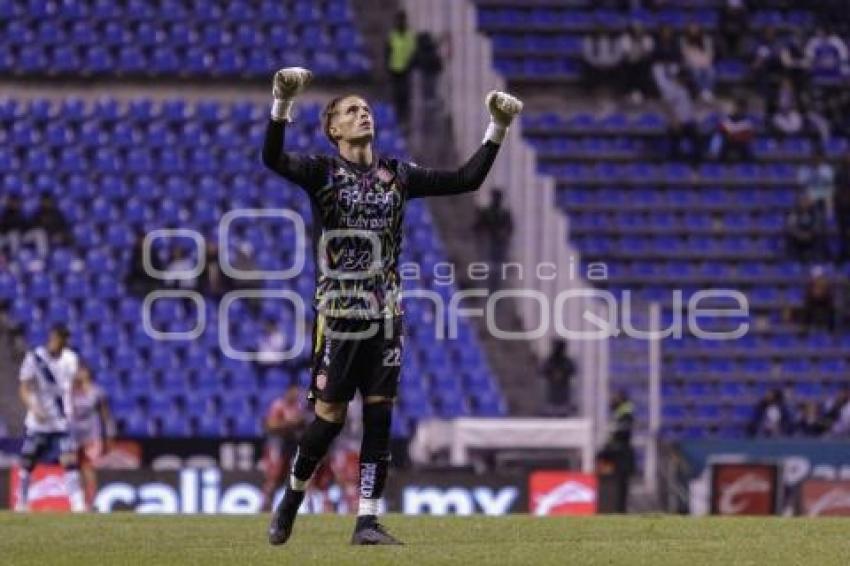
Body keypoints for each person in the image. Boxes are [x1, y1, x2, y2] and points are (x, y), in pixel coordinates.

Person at [261, 67, 521, 545]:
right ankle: (291, 500)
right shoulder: (321, 173)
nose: (363, 114)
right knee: (327, 423)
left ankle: (367, 521)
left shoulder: (397, 174)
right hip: (338, 318)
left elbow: (465, 179)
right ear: (333, 129)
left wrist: (497, 129)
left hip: (385, 317)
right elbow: (273, 157)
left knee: (380, 419)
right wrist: (282, 104)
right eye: (350, 111)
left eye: (366, 109)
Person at [15, 325, 87, 512]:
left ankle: (78, 504)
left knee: (69, 460)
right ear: (51, 338)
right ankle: (22, 502)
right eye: (57, 340)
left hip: (62, 421)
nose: (59, 345)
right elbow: (23, 387)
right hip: (38, 422)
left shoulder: (71, 359)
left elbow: (72, 384)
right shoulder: (35, 358)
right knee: (27, 462)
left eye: (63, 342)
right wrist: (33, 406)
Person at [71, 362, 116, 505]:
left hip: (91, 435)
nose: (79, 373)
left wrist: (109, 433)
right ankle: (80, 501)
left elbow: (105, 414)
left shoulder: (97, 392)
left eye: (81, 370)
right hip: (74, 435)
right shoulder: (71, 391)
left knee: (88, 467)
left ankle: (93, 500)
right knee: (74, 467)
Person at [261, 384, 307, 511]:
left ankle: (280, 506)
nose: (296, 395)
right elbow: (270, 424)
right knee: (273, 477)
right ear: (288, 391)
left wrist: (300, 423)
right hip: (277, 445)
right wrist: (290, 424)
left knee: (287, 478)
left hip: (291, 445)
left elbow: (303, 424)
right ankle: (265, 505)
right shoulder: (279, 405)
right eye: (294, 392)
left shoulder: (299, 407)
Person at [598, 390, 635, 513]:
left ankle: (621, 509)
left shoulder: (625, 415)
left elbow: (622, 433)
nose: (612, 401)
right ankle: (618, 509)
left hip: (621, 455)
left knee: (621, 484)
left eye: (615, 399)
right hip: (620, 454)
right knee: (619, 484)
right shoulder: (620, 415)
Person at [473, 189, 513, 293]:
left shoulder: (505, 214)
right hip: (488, 246)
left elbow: (510, 229)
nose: (496, 200)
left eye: (498, 198)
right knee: (488, 270)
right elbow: (477, 228)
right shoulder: (486, 213)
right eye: (495, 198)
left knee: (497, 271)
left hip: (499, 246)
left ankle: (495, 290)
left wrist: (503, 234)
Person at [385, 10, 417, 129]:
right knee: (396, 97)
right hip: (394, 71)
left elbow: (413, 52)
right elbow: (387, 53)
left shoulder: (410, 36)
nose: (400, 22)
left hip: (406, 71)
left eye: (401, 20)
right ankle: (396, 120)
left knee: (405, 97)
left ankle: (405, 121)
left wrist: (410, 64)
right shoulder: (392, 36)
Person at [617, 22, 655, 104]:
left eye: (639, 30)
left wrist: (639, 54)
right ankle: (627, 93)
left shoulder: (647, 38)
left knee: (643, 68)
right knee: (627, 68)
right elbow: (626, 54)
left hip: (642, 62)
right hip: (629, 61)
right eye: (635, 30)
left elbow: (647, 53)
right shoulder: (625, 38)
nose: (637, 32)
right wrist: (635, 56)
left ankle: (643, 93)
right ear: (631, 31)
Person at [786, 194, 828, 263]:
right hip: (797, 238)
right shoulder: (794, 212)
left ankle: (817, 262)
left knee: (820, 238)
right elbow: (791, 225)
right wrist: (799, 234)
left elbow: (817, 225)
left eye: (806, 201)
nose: (804, 203)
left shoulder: (816, 212)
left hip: (812, 238)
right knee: (790, 239)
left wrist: (810, 234)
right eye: (803, 201)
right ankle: (793, 262)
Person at [709, 98, 754, 162]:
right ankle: (719, 161)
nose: (737, 109)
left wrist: (737, 135)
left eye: (740, 108)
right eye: (735, 107)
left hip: (741, 142)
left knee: (747, 146)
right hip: (728, 141)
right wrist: (728, 132)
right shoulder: (726, 118)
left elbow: (748, 134)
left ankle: (746, 165)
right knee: (719, 139)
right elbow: (721, 128)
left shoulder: (747, 120)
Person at [539, 339, 576, 416]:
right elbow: (542, 372)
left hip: (563, 395)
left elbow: (572, 371)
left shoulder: (567, 362)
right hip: (552, 395)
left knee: (563, 413)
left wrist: (562, 373)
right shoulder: (549, 361)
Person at [680, 23, 716, 102]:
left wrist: (705, 62)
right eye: (692, 28)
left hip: (705, 63)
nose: (694, 30)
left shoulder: (706, 39)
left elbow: (710, 53)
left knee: (711, 72)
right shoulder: (684, 40)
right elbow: (685, 54)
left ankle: (707, 91)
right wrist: (694, 62)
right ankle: (703, 92)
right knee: (697, 72)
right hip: (691, 63)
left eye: (695, 28)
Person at [798, 150, 835, 219]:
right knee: (805, 198)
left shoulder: (827, 169)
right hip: (809, 191)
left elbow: (829, 184)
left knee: (829, 196)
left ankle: (829, 219)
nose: (815, 161)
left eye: (817, 159)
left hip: (823, 191)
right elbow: (802, 183)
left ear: (821, 159)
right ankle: (805, 219)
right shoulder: (804, 169)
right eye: (813, 158)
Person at [801, 266, 836, 332]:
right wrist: (815, 293)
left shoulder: (826, 283)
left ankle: (831, 329)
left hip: (824, 302)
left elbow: (826, 293)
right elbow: (812, 294)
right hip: (813, 302)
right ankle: (805, 330)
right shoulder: (810, 285)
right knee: (807, 308)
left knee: (831, 309)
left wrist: (821, 293)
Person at [833, 154, 850, 263]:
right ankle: (843, 254)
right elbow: (836, 188)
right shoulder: (839, 171)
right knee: (842, 233)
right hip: (842, 207)